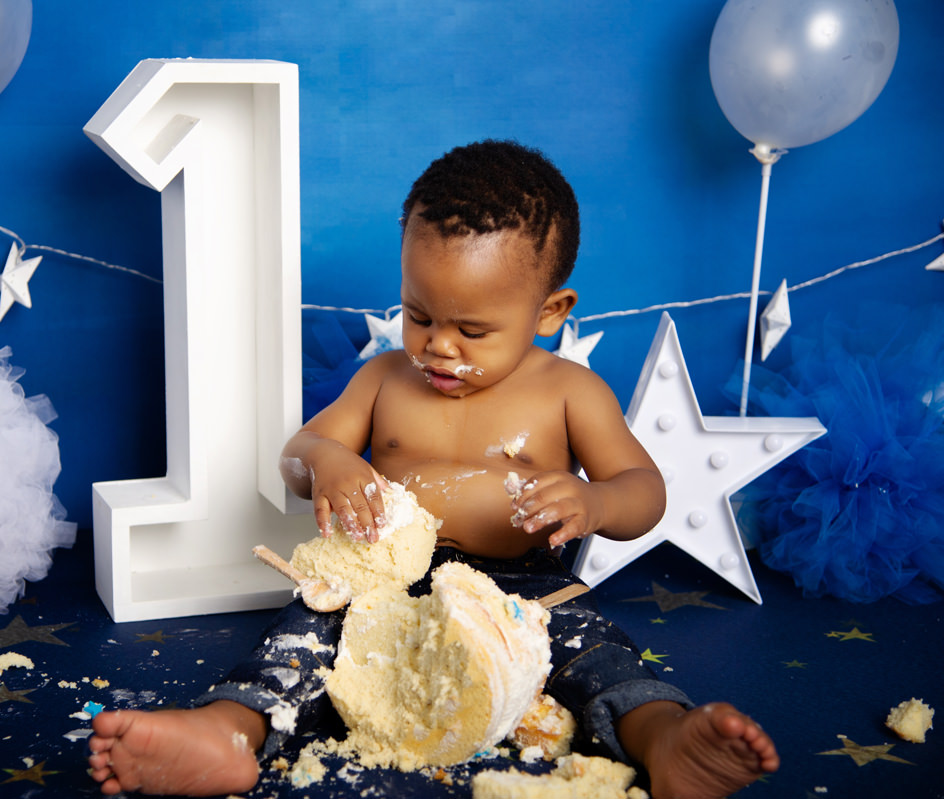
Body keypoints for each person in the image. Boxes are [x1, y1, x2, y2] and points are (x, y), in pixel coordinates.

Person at [88, 140, 780, 799]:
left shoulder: (569, 391)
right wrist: (327, 461)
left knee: (595, 650)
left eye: (472, 330)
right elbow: (297, 454)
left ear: (550, 311)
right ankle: (229, 729)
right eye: (418, 315)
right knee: (299, 637)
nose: (439, 346)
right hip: (378, 585)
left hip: (522, 590)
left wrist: (594, 503)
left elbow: (646, 492)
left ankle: (663, 737)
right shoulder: (384, 378)